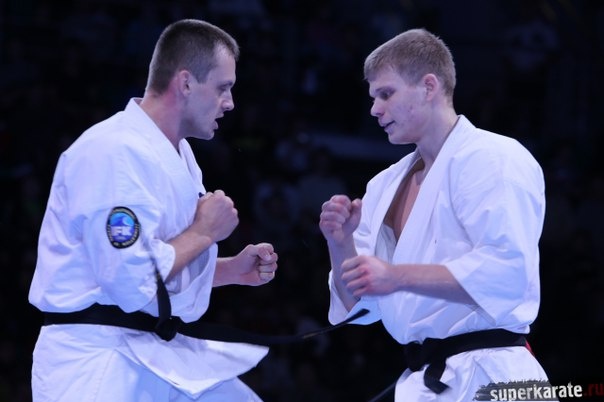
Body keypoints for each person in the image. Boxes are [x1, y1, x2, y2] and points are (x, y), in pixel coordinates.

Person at [28, 19, 278, 402]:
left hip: (155, 348)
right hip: (97, 358)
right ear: (186, 83)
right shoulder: (114, 151)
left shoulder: (178, 154)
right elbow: (130, 282)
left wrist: (227, 271)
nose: (230, 102)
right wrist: (203, 232)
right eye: (222, 88)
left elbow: (157, 266)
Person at [319, 28, 552, 401]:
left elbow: (507, 272)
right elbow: (359, 307)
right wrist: (340, 242)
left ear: (429, 86)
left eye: (386, 94)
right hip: (425, 380)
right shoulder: (384, 184)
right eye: (373, 97)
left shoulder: (494, 157)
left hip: (494, 373)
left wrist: (396, 276)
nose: (375, 109)